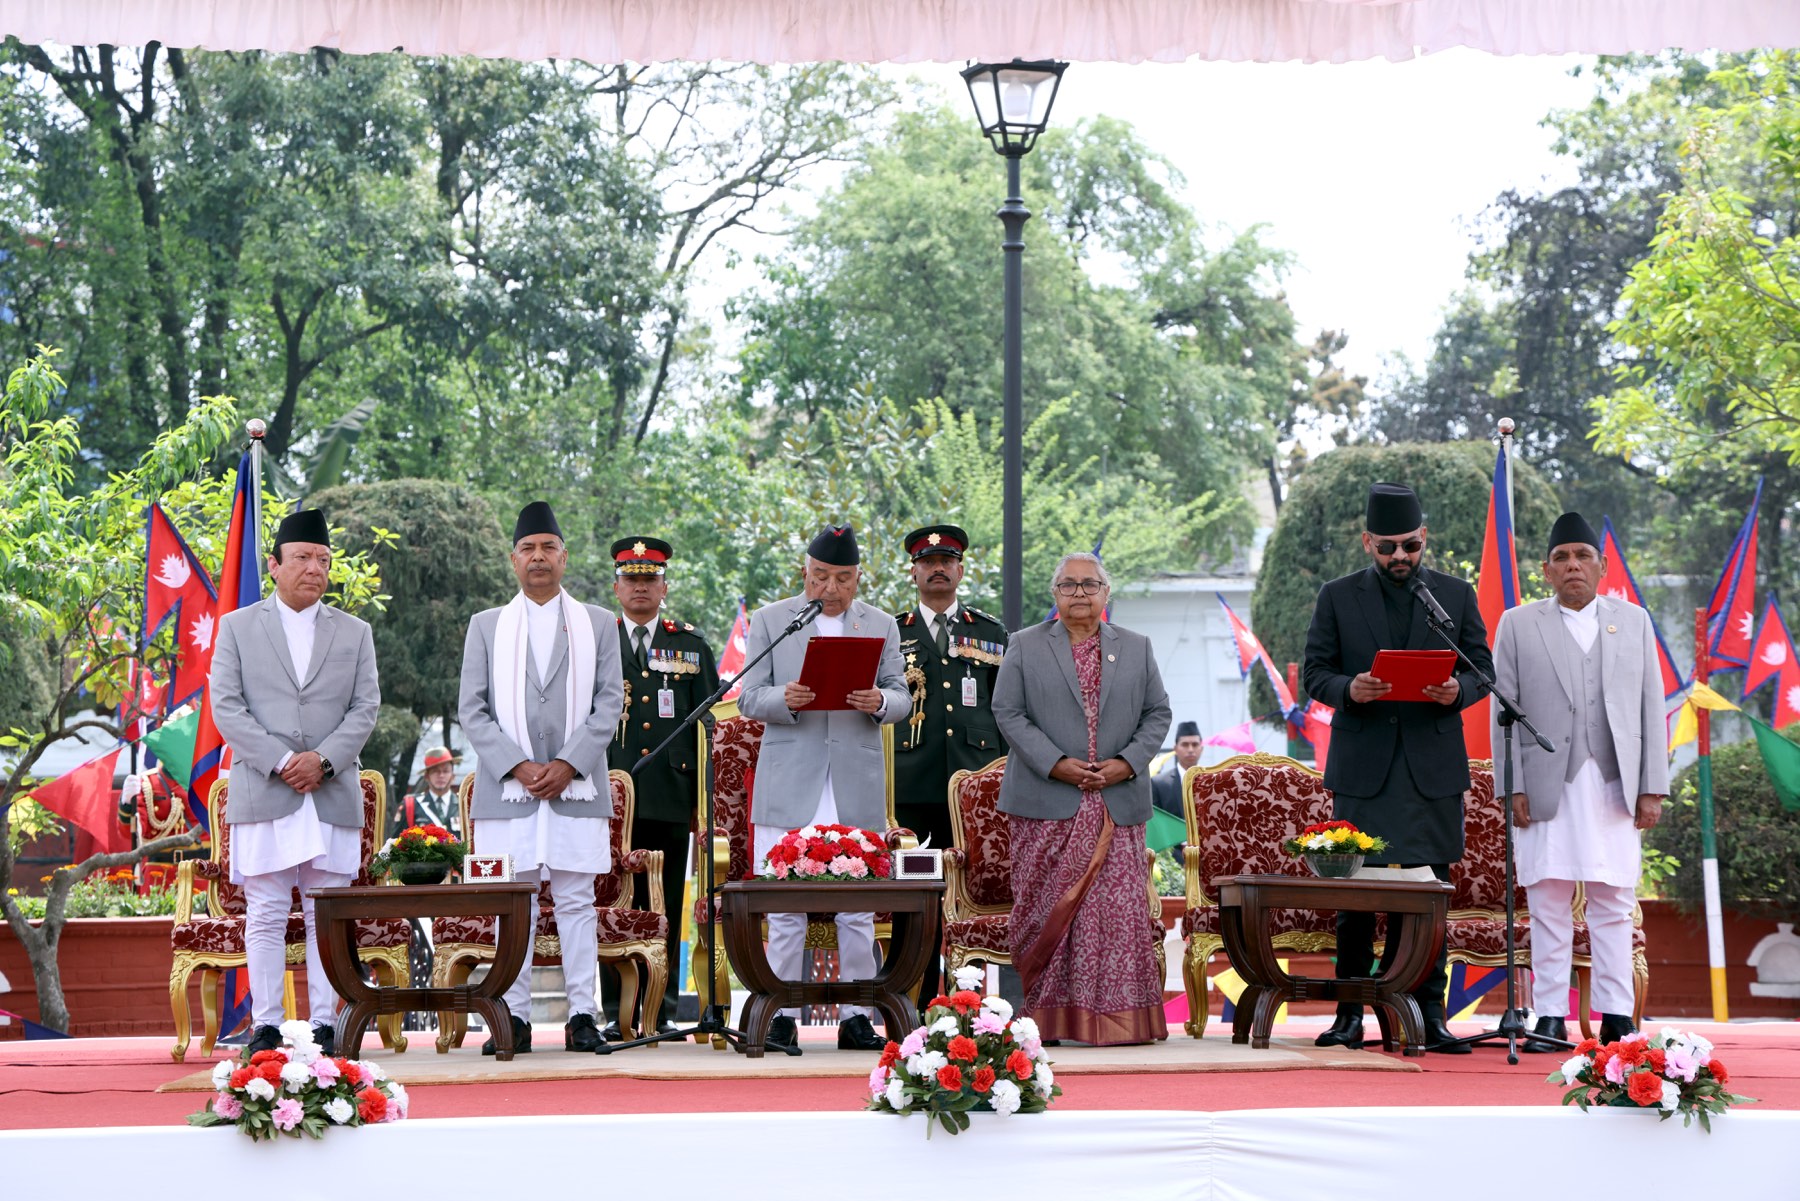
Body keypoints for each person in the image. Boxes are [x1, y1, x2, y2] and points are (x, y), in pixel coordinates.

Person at [1301, 482, 1490, 1055]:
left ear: (1424, 538)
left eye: (1409, 545)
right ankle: (1350, 1015)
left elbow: (1483, 669)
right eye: (1387, 548)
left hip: (1431, 771)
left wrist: (1457, 691)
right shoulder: (1337, 596)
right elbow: (1316, 672)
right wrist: (1349, 689)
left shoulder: (1453, 596)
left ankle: (1427, 1016)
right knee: (1356, 899)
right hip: (1365, 771)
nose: (1400, 557)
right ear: (1367, 542)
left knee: (1428, 900)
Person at [1491, 512, 1668, 1051]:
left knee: (1613, 900)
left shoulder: (1633, 620)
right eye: (1562, 558)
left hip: (1614, 781)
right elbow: (1504, 713)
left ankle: (1616, 1014)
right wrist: (1511, 786)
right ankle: (1548, 1016)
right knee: (1547, 900)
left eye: (1583, 556)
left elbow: (1650, 705)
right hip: (1547, 782)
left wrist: (1651, 787)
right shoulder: (1518, 624)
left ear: (1602, 566)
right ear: (1546, 570)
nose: (1573, 566)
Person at [209, 508, 381, 1057]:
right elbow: (226, 708)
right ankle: (265, 1026)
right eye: (303, 558)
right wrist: (285, 760)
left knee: (322, 913)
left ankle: (325, 1025)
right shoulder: (237, 626)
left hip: (329, 791)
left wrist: (324, 761)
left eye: (324, 560)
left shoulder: (355, 632)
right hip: (267, 787)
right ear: (274, 565)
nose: (315, 568)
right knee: (263, 909)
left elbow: (365, 707)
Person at [736, 523, 912, 1053]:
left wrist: (878, 702)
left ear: (858, 579)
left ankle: (858, 1016)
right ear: (804, 572)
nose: (829, 589)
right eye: (819, 577)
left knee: (857, 907)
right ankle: (782, 1013)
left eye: (841, 579)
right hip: (791, 779)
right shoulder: (772, 621)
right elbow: (748, 699)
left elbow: (903, 697)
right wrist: (784, 699)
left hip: (853, 783)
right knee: (786, 905)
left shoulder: (880, 624)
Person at [458, 501, 625, 1054]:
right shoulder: (486, 626)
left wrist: (568, 764)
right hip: (509, 788)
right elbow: (472, 710)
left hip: (578, 783)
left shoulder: (600, 623)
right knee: (515, 901)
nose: (538, 558)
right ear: (513, 560)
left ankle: (583, 1014)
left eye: (547, 548)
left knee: (577, 901)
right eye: (527, 549)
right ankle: (514, 1016)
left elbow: (607, 704)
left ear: (564, 557)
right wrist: (518, 765)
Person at [992, 551, 1171, 1046]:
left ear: (1105, 594)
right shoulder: (1025, 646)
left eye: (1089, 585)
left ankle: (1118, 1023)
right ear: (1055, 594)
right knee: (1044, 909)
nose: (1079, 595)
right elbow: (1007, 712)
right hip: (1046, 801)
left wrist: (1127, 763)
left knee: (1114, 919)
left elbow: (1158, 713)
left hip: (1117, 801)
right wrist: (1056, 764)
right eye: (1069, 586)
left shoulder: (1136, 647)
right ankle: (1042, 1022)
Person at [600, 535, 720, 1040]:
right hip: (608, 795)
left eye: (650, 579)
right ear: (616, 587)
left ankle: (663, 1007)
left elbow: (711, 724)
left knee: (665, 902)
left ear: (664, 587)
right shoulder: (597, 640)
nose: (641, 588)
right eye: (632, 579)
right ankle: (613, 1010)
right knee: (611, 901)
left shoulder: (690, 644)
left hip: (672, 794)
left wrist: (705, 801)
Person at [892, 523, 1008, 1009]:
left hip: (974, 790)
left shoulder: (990, 632)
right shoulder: (891, 632)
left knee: (970, 895)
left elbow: (1007, 711)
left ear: (960, 570)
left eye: (946, 562)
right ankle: (911, 1004)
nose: (937, 569)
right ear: (914, 571)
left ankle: (969, 1006)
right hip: (911, 784)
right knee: (915, 898)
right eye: (927, 562)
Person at [394, 746, 460, 838]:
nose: (441, 775)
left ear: (453, 776)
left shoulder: (463, 805)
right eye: (435, 771)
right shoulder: (411, 805)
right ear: (426, 776)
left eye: (445, 771)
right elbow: (396, 842)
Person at [1151, 721, 1203, 817]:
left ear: (1201, 748)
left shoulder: (1212, 780)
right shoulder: (1159, 784)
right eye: (1185, 745)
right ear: (1175, 749)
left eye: (1195, 744)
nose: (1190, 750)